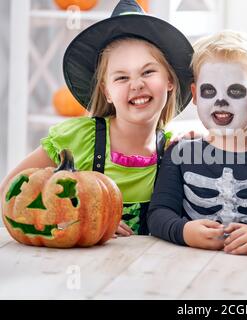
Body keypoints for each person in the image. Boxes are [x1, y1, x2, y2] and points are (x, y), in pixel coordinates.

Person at [0, 0, 194, 236]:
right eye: (121, 78)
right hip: (84, 268)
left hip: (149, 269)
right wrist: (82, 219)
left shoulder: (174, 152)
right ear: (107, 92)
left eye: (148, 72)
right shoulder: (77, 140)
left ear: (170, 81)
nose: (137, 84)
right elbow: (10, 193)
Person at [147, 30, 247, 256]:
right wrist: (183, 231)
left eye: (235, 90)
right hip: (187, 268)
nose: (221, 100)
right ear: (195, 95)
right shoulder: (179, 153)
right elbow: (159, 213)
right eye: (209, 90)